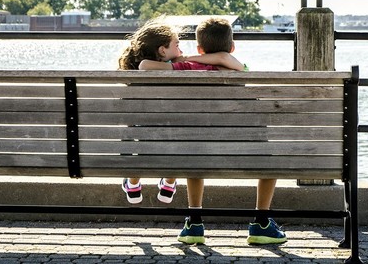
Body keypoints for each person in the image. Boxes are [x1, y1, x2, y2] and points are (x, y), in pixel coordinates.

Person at [139, 17, 287, 246]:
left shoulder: (185, 68)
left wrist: (183, 58)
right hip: (244, 151)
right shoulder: (240, 69)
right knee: (269, 158)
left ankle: (195, 222)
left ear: (199, 49)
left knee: (194, 151)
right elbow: (224, 58)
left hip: (200, 149)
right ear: (233, 46)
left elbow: (145, 66)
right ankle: (262, 222)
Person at [118, 20, 244, 204]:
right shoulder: (190, 68)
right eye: (177, 45)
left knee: (138, 137)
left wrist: (180, 60)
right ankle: (169, 182)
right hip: (181, 136)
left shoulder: (160, 70)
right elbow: (227, 62)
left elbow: (144, 65)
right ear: (163, 50)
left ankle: (133, 182)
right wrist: (187, 60)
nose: (181, 49)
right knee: (175, 141)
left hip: (147, 135)